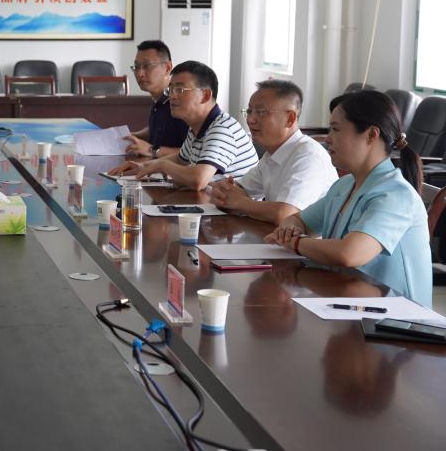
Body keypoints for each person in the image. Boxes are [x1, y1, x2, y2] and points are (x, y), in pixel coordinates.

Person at [266, 91, 432, 307]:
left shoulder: (396, 195)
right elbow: (298, 220)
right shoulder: (344, 185)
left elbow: (350, 253)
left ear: (371, 135)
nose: (327, 138)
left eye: (336, 129)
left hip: (398, 319)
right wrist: (290, 229)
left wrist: (295, 242)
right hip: (351, 304)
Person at [109, 61, 258, 189]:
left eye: (180, 89)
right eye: (171, 89)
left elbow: (198, 179)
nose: (172, 96)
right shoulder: (197, 127)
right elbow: (181, 159)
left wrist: (162, 166)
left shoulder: (222, 130)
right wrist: (145, 167)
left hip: (239, 212)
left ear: (205, 95)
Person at [210, 80, 338, 223]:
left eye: (261, 112)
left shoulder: (309, 156)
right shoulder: (271, 154)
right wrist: (223, 191)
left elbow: (286, 214)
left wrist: (239, 202)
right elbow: (238, 189)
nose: (250, 120)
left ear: (290, 118)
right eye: (250, 111)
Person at [122, 40, 189, 159]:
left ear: (168, 68)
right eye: (136, 67)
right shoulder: (160, 99)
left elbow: (194, 152)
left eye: (147, 66)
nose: (140, 73)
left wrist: (151, 150)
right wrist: (132, 136)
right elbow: (159, 128)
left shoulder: (180, 102)